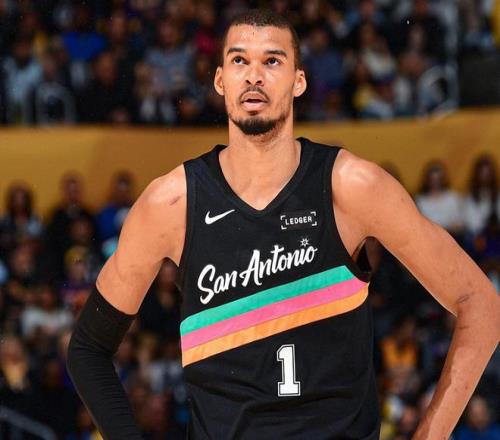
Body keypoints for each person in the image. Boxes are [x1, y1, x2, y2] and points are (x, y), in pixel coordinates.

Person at [67, 9, 500, 440]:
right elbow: (88, 349)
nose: (254, 75)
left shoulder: (352, 187)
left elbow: (480, 304)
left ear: (299, 81)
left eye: (272, 61)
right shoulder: (171, 204)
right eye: (239, 60)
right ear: (220, 80)